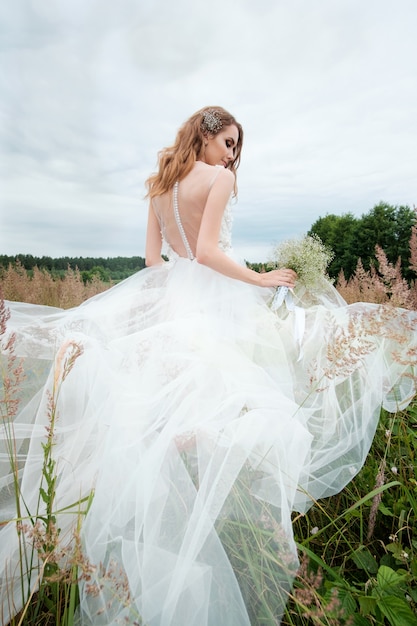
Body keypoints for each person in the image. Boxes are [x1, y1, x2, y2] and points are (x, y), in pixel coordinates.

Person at [0, 106, 416, 626]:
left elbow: (155, 263)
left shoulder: (157, 187)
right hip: (217, 298)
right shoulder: (218, 180)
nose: (233, 154)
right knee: (261, 380)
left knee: (172, 405)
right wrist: (262, 280)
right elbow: (207, 251)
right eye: (229, 143)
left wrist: (173, 293)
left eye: (238, 147)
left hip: (175, 294)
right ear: (206, 134)